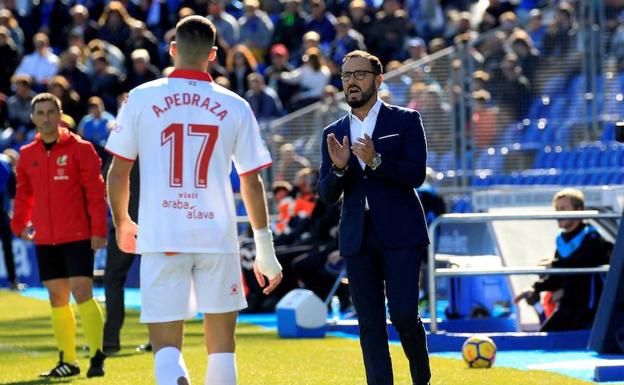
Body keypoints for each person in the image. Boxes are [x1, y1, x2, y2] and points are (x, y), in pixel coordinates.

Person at [105, 16, 283, 385]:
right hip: (217, 237)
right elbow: (251, 181)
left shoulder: (141, 97)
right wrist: (265, 248)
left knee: (166, 350)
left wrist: (123, 220)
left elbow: (118, 171)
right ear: (214, 54)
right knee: (222, 351)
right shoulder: (235, 105)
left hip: (162, 233)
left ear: (172, 49)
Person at [318, 50, 431, 385]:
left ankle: (421, 378)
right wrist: (339, 169)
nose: (352, 82)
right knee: (369, 324)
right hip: (357, 236)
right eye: (346, 75)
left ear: (378, 79)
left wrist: (376, 160)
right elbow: (326, 194)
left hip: (401, 233)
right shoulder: (334, 130)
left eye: (360, 74)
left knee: (403, 315)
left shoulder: (406, 120)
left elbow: (416, 175)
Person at [10, 93, 108, 378]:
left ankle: (97, 356)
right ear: (33, 119)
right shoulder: (28, 154)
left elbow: (95, 193)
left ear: (60, 114)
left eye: (50, 112)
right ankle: (68, 361)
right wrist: (19, 225)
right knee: (56, 299)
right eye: (40, 113)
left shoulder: (82, 149)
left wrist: (99, 231)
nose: (45, 117)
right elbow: (24, 195)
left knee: (82, 293)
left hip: (77, 235)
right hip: (45, 238)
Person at [514, 188, 612, 331]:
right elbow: (558, 276)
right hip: (568, 305)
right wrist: (535, 288)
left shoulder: (592, 236)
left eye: (563, 209)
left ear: (579, 210)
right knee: (544, 339)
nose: (559, 214)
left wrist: (553, 264)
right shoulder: (561, 239)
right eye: (557, 209)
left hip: (590, 308)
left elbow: (582, 263)